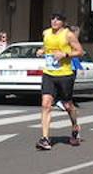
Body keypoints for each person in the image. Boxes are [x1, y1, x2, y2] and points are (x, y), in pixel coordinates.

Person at [35, 12, 84, 150]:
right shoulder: (46, 33)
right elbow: (47, 48)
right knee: (45, 104)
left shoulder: (68, 34)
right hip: (49, 73)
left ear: (63, 22)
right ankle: (45, 139)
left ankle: (75, 126)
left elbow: (80, 51)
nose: (55, 21)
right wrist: (42, 51)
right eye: (53, 19)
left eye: (58, 19)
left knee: (68, 105)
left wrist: (65, 54)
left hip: (65, 74)